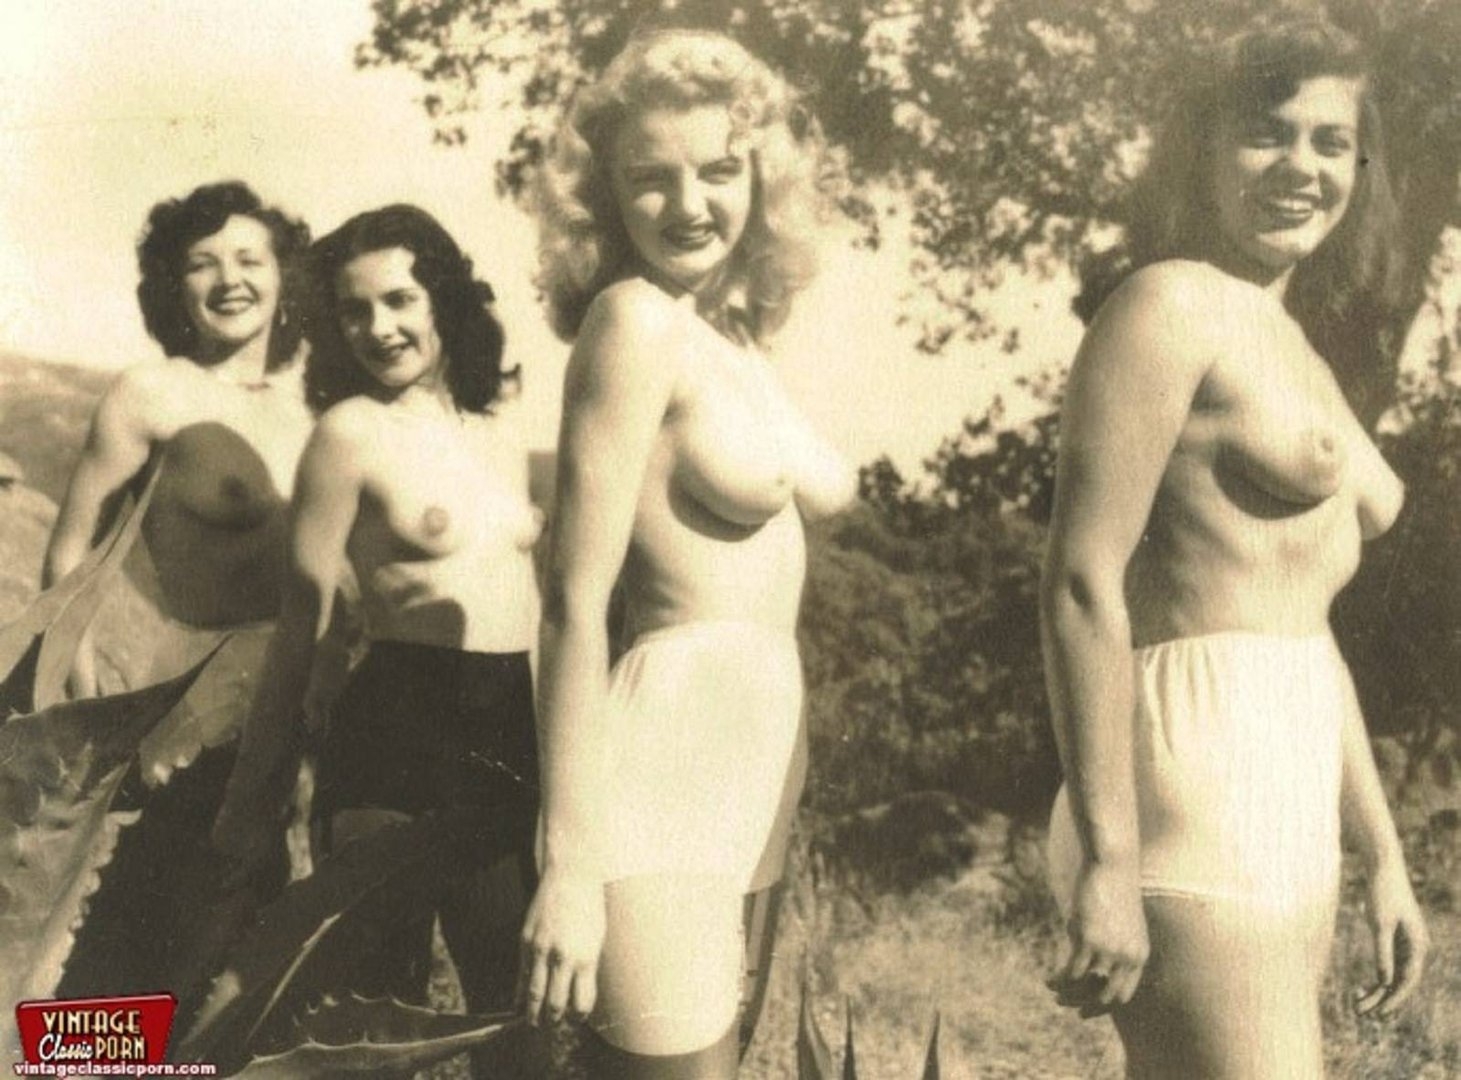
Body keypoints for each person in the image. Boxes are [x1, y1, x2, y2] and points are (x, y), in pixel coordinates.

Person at [1042, 15, 1430, 1077]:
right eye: (1267, 132)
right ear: (1201, 149)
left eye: (1330, 141)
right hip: (1188, 776)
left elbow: (1304, 628)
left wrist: (1381, 854)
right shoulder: (1165, 306)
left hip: (1285, 779)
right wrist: (1110, 859)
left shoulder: (1295, 342)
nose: (1301, 166)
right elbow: (1079, 584)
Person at [518, 27, 857, 1078]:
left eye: (718, 170)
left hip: (756, 766)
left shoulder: (737, 341)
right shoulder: (632, 325)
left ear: (764, 177)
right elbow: (571, 603)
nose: (689, 203)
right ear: (603, 196)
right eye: (649, 179)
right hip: (662, 764)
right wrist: (569, 865)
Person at [211, 205, 544, 1066]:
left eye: (399, 300)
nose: (378, 328)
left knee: (513, 1019)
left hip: (505, 738)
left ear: (444, 299)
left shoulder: (500, 431)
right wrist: (252, 803)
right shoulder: (350, 432)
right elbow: (300, 627)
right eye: (354, 310)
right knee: (368, 1029)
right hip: (394, 740)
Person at [45, 181, 316, 1004]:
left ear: (284, 276)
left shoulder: (319, 408)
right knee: (119, 973)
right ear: (174, 283)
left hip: (297, 720)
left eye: (249, 259)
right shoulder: (151, 392)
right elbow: (68, 558)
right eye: (203, 263)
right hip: (182, 724)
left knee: (237, 978)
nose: (229, 279)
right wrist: (101, 718)